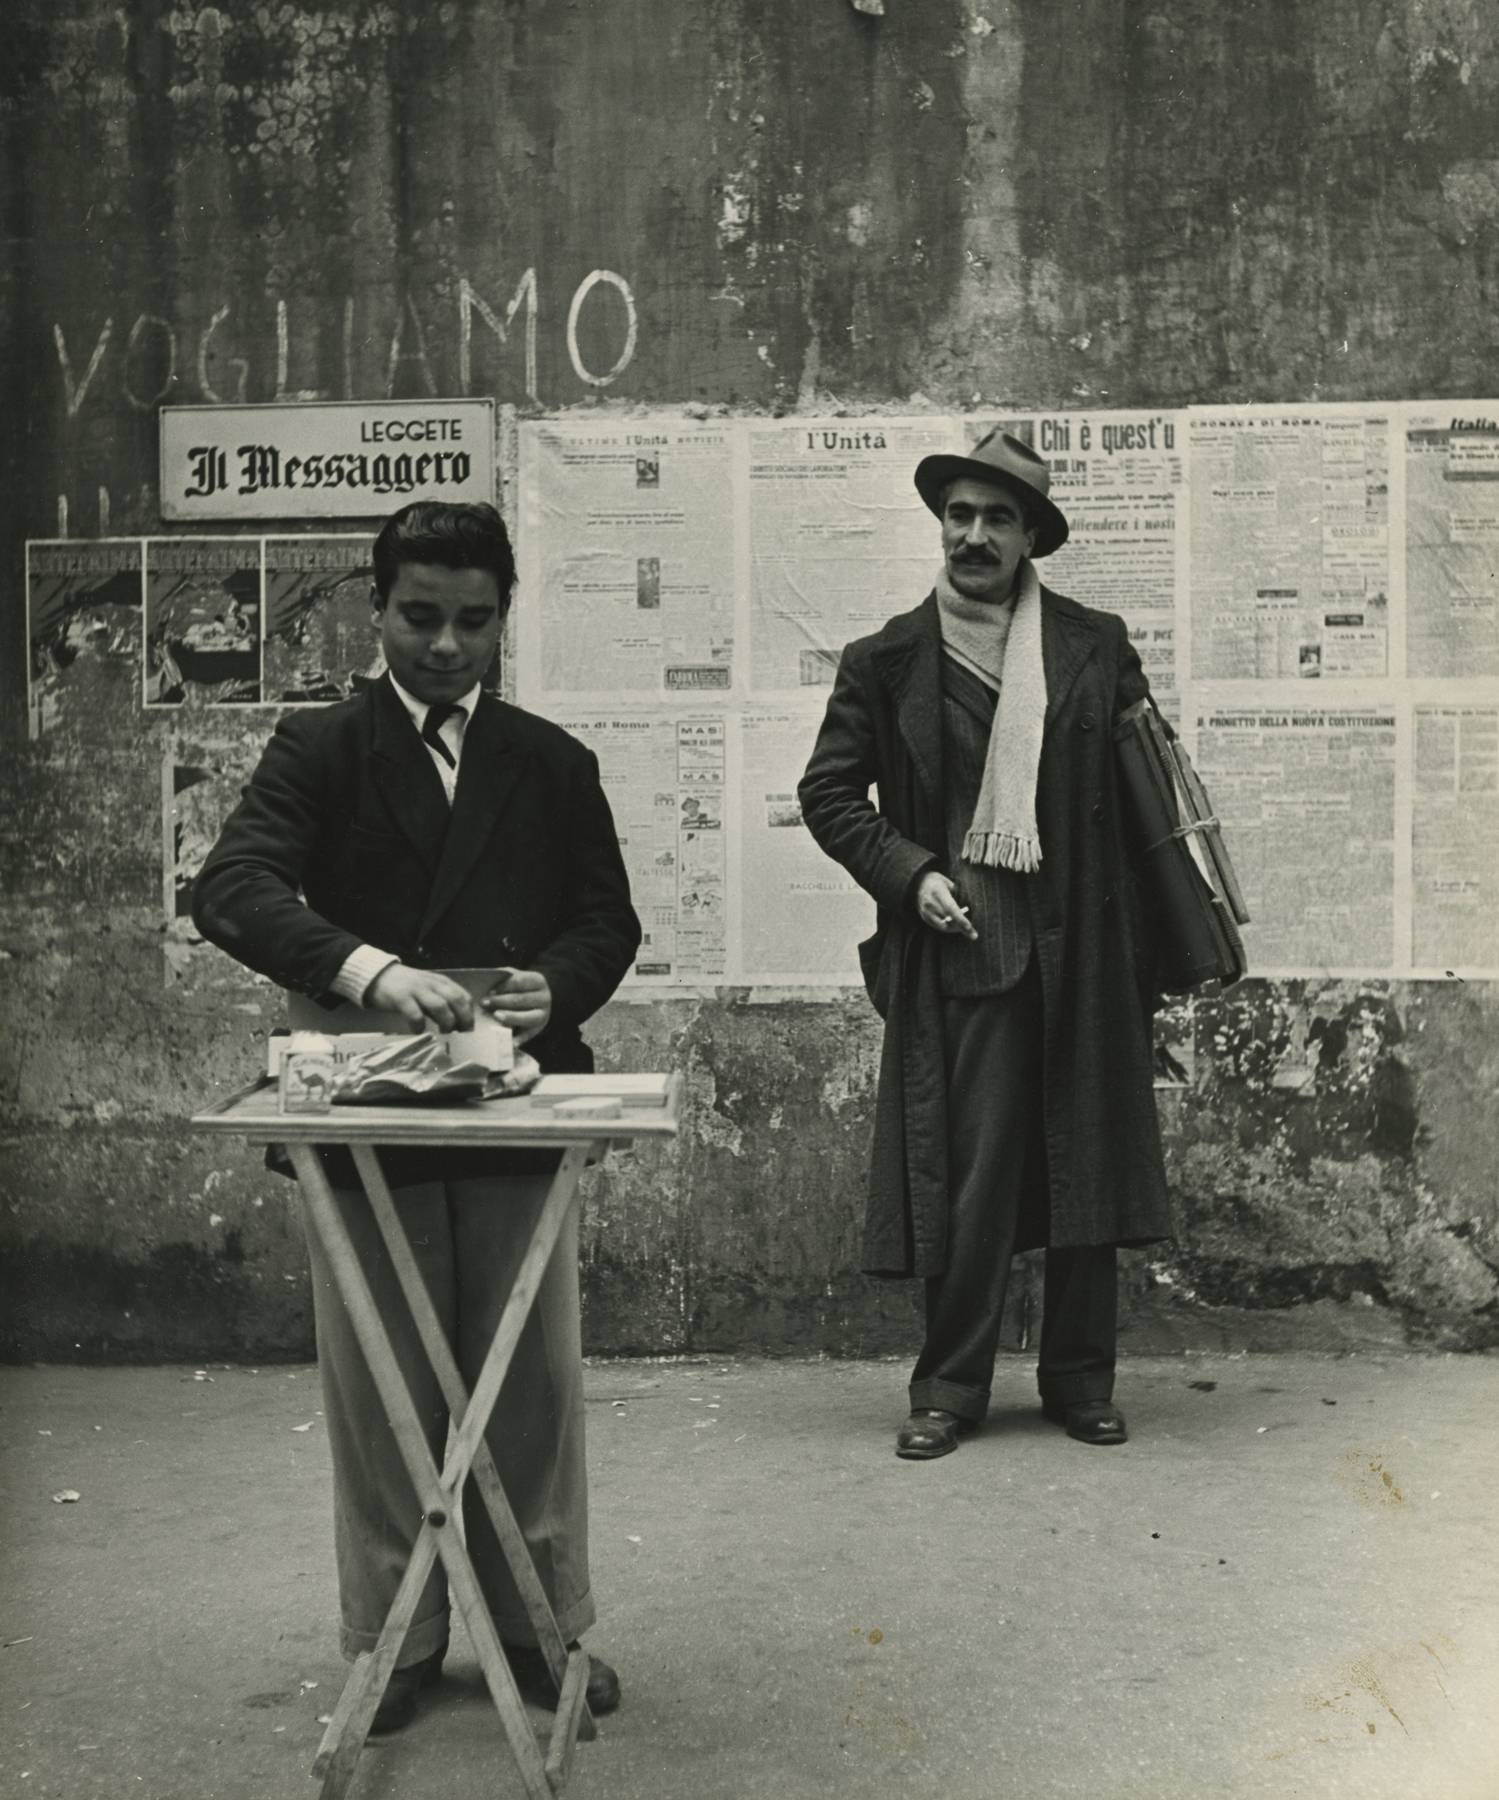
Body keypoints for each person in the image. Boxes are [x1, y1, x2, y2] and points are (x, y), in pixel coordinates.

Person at [192, 500, 640, 1727]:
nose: (446, 645)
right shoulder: (320, 749)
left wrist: (564, 980)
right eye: (420, 616)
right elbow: (228, 888)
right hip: (361, 1114)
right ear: (377, 608)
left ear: (504, 617)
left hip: (511, 1110)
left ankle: (539, 1633)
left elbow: (608, 920)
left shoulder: (550, 762)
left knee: (525, 1387)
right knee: (382, 1388)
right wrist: (370, 973)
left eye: (473, 620)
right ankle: (392, 1639)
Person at [797, 430, 1173, 1460]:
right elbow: (827, 795)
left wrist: (1162, 942)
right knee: (965, 1179)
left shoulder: (1093, 645)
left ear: (1028, 538)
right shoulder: (883, 660)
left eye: (995, 519)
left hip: (1087, 954)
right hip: (966, 955)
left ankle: (1079, 1380)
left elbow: (1149, 793)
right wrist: (909, 872)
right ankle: (950, 1388)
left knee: (1084, 1172)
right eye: (958, 514)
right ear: (941, 524)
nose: (972, 534)